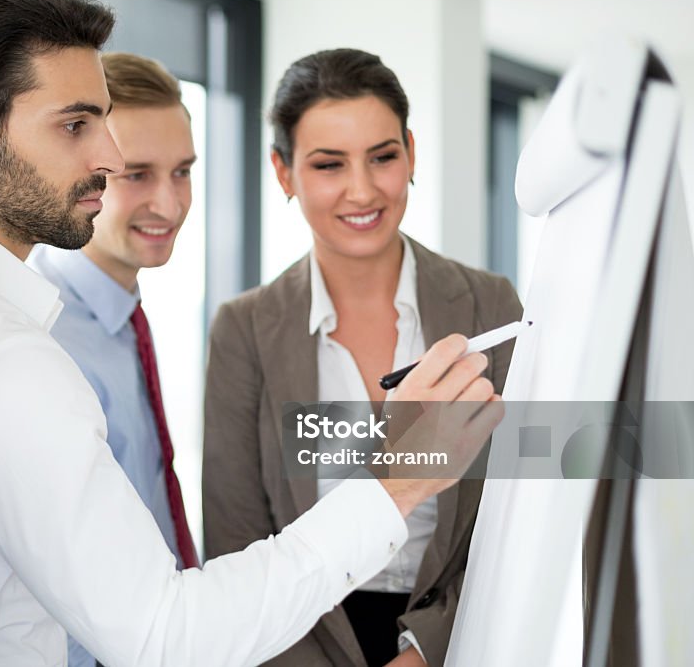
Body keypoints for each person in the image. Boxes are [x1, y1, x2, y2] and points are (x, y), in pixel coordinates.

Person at [0, 0, 503, 666]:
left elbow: (542, 496)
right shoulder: (1, 355)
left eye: (383, 156)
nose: (105, 153)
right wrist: (399, 480)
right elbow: (170, 624)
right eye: (76, 125)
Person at [202, 48, 524, 667]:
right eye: (328, 164)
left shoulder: (489, 304)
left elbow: (515, 521)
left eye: (383, 156)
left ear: (411, 152)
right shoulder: (243, 330)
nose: (363, 189)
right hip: (301, 642)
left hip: (460, 638)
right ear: (284, 172)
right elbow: (238, 546)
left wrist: (428, 651)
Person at [28, 51, 199, 667]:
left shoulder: (125, 323)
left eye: (182, 172)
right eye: (137, 175)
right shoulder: (47, 340)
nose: (170, 203)